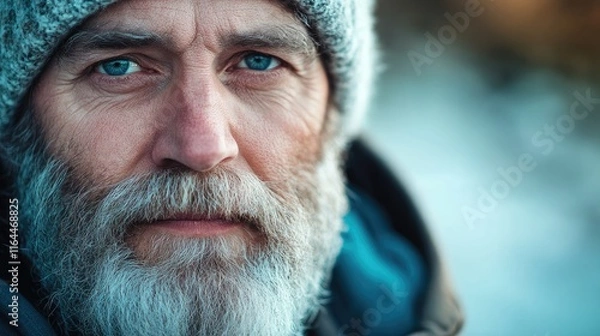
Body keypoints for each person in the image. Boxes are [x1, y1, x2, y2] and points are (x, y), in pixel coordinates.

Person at [0, 0, 462, 335]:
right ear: (18, 130)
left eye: (259, 62)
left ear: (331, 118)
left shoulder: (395, 314)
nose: (202, 147)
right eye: (118, 67)